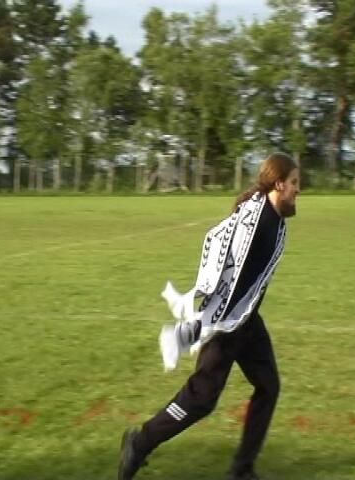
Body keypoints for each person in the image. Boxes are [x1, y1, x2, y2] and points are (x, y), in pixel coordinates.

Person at [118, 152, 300, 480]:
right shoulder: (254, 220)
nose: (298, 190)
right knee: (200, 399)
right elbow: (222, 260)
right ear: (278, 184)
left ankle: (241, 470)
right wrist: (201, 324)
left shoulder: (276, 221)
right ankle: (139, 443)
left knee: (268, 386)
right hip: (225, 324)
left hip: (247, 320)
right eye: (294, 183)